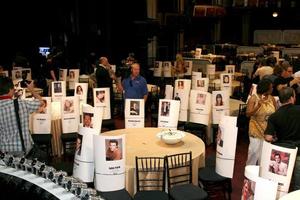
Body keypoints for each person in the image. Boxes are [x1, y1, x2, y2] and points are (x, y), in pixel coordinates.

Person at [265, 87, 300, 190]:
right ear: (291, 98)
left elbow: (268, 137)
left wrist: (276, 139)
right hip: (299, 150)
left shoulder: (274, 116)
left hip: (283, 151)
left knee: (281, 182)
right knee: (298, 182)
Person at [0, 77, 43, 155]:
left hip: (4, 151)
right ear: (10, 90)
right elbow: (41, 102)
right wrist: (31, 89)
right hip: (23, 149)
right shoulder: (21, 104)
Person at [246, 78, 276, 165]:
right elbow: (248, 114)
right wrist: (257, 106)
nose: (272, 89)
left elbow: (275, 113)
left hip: (267, 129)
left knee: (264, 154)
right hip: (255, 128)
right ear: (265, 88)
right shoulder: (253, 98)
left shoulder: (272, 99)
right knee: (254, 153)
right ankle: (249, 172)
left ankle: (261, 174)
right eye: (271, 87)